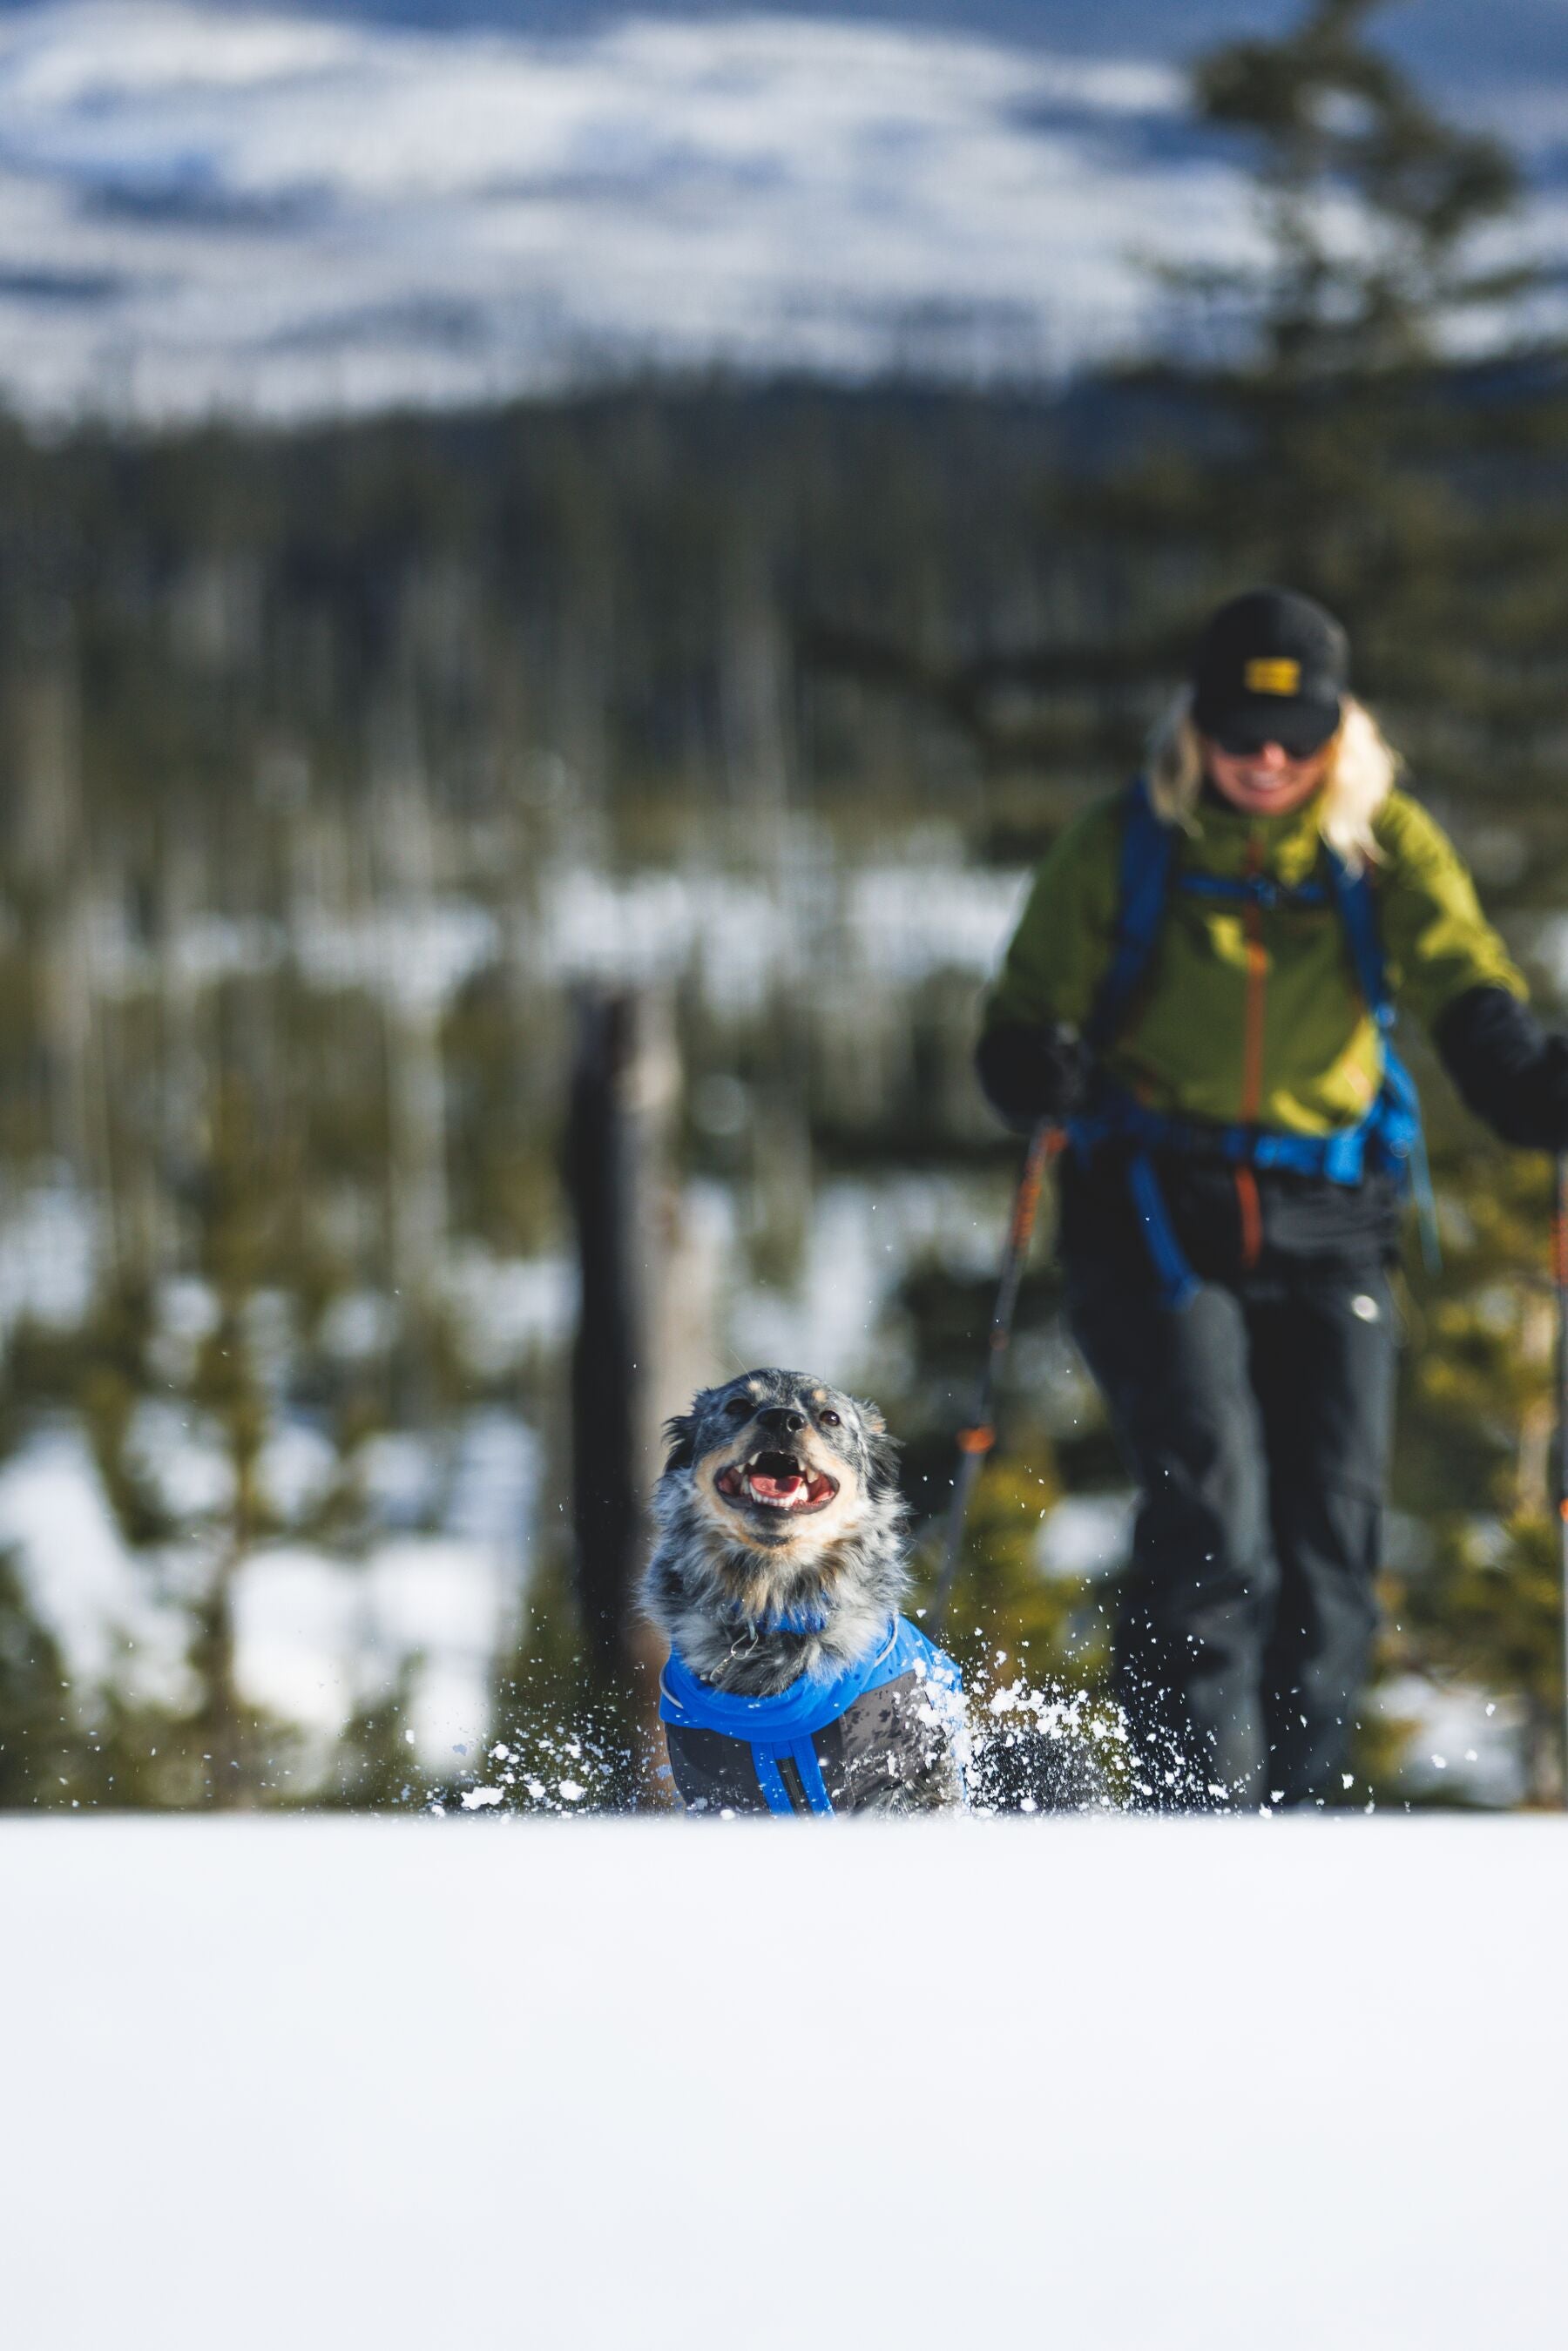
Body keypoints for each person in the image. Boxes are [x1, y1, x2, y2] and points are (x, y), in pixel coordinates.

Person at [976, 587, 1568, 1807]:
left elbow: (1462, 970)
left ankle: (1302, 1825)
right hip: (1154, 1210)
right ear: (1196, 723)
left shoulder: (1381, 843)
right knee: (1213, 1517)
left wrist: (1517, 1074)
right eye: (1241, 729)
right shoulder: (1128, 841)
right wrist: (1030, 1064)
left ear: (1339, 734)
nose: (1265, 759)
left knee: (1333, 1547)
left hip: (1332, 1219)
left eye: (1295, 737)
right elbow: (1020, 1011)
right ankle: (1199, 1817)